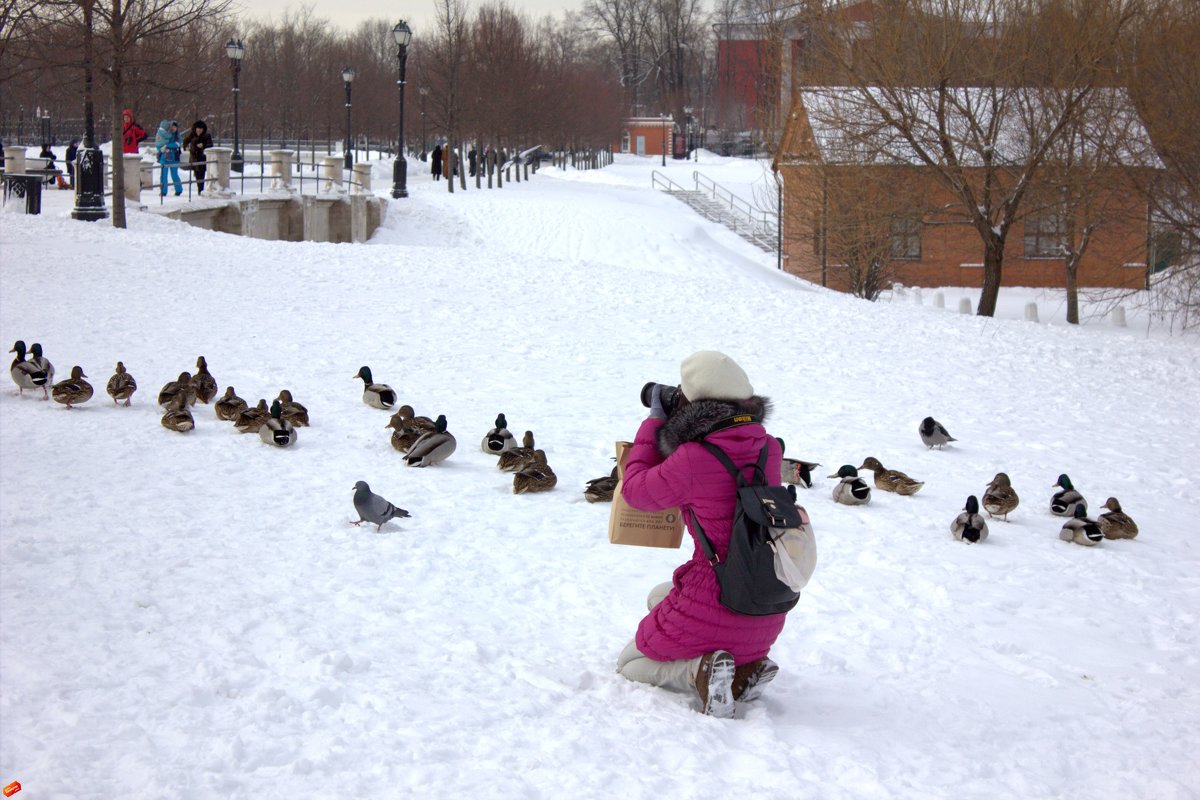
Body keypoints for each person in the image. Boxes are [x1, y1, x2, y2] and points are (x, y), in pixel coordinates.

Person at [616, 351, 787, 718]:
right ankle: (746, 670)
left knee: (630, 662)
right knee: (657, 596)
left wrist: (655, 423)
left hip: (717, 590)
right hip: (765, 598)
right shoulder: (769, 449)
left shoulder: (694, 457)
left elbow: (635, 492)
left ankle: (698, 671)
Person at [182, 120, 213, 194]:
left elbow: (210, 146)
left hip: (202, 159)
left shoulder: (207, 136)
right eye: (198, 129)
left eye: (201, 129)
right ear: (195, 129)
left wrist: (203, 146)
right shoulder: (192, 135)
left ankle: (201, 191)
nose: (199, 131)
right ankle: (200, 190)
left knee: (201, 175)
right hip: (194, 159)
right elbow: (185, 142)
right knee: (197, 175)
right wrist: (186, 147)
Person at [155, 119, 183, 196]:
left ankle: (178, 189)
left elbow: (177, 144)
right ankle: (163, 191)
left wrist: (167, 145)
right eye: (172, 126)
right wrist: (161, 148)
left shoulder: (177, 136)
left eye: (175, 127)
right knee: (163, 175)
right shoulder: (164, 134)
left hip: (174, 157)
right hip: (164, 157)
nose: (173, 128)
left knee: (174, 174)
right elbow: (159, 144)